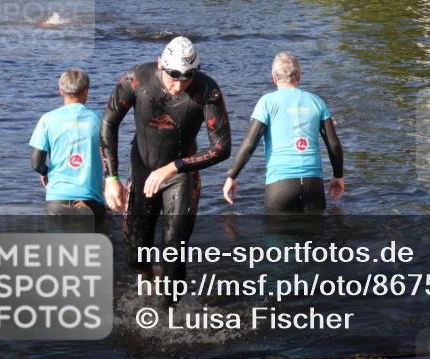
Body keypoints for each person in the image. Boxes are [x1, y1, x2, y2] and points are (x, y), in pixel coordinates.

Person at [101, 37, 231, 289]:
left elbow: (222, 147)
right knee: (135, 255)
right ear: (161, 64)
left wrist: (174, 167)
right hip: (142, 169)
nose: (179, 84)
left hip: (181, 175)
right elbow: (108, 123)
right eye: (173, 75)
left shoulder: (207, 91)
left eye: (187, 76)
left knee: (174, 247)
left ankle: (171, 314)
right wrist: (111, 178)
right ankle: (148, 279)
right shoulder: (136, 79)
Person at [224, 52, 344, 212]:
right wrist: (338, 176)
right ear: (299, 76)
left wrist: (232, 176)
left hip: (280, 185)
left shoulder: (267, 102)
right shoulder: (317, 102)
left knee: (277, 236)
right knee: (315, 235)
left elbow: (250, 143)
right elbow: (334, 145)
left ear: (274, 77)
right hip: (313, 184)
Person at [30, 69, 106, 223]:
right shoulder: (100, 119)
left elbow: (37, 163)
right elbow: (110, 156)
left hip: (57, 200)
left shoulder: (47, 120)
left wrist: (46, 172)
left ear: (61, 90)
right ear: (86, 91)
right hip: (91, 201)